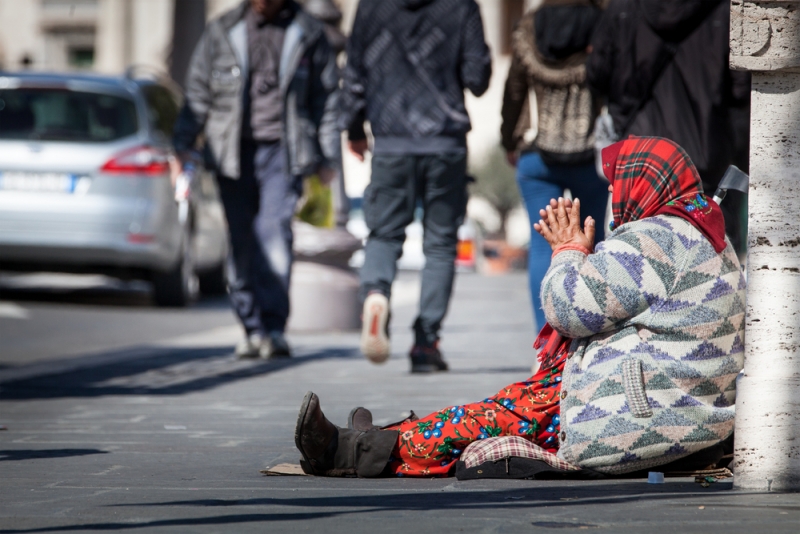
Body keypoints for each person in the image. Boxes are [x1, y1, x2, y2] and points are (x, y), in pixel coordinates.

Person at [293, 137, 745, 477]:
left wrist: (568, 251)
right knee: (503, 406)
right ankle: (379, 439)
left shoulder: (658, 237)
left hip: (633, 415)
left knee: (484, 422)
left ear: (640, 184)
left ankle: (347, 451)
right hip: (668, 405)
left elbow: (567, 308)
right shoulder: (702, 233)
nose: (614, 196)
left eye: (619, 182)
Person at [173, 0, 340, 359]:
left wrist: (328, 157)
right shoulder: (222, 30)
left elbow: (325, 99)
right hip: (232, 152)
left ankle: (274, 328)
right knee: (241, 239)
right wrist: (183, 145)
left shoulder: (308, 31)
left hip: (285, 151)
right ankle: (252, 328)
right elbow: (199, 92)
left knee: (274, 233)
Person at [338, 0, 492, 373]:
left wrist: (356, 129)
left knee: (384, 235)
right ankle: (426, 344)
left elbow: (354, 71)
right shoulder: (461, 6)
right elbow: (478, 78)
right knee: (440, 244)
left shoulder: (372, 6)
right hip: (445, 142)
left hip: (391, 141)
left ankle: (376, 294)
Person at [586, 0, 751, 253]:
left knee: (629, 256)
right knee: (704, 258)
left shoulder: (623, 8)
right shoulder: (725, 9)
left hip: (638, 160)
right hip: (705, 152)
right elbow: (741, 89)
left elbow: (597, 74)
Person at [501, 0, 608, 333]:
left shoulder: (529, 29)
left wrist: (509, 140)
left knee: (540, 244)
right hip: (590, 156)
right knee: (593, 240)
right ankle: (591, 333)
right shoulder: (602, 24)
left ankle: (544, 339)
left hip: (539, 155)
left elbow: (515, 89)